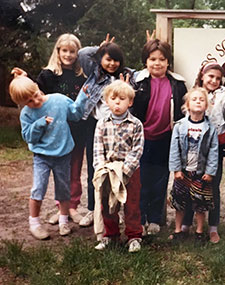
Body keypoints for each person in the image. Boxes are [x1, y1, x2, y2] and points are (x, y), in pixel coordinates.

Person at [8, 70, 88, 240]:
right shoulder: (26, 114)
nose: (35, 101)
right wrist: (39, 124)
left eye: (36, 95)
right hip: (42, 157)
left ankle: (63, 220)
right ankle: (35, 223)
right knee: (38, 188)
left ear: (38, 87)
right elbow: (28, 137)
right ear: (22, 104)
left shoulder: (58, 100)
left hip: (63, 154)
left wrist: (82, 98)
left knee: (63, 189)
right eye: (29, 101)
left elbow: (75, 114)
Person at [181, 61, 225, 243]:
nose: (214, 81)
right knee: (190, 184)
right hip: (193, 146)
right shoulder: (194, 94)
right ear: (202, 76)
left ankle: (213, 227)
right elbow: (187, 116)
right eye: (210, 76)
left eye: (218, 78)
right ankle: (186, 224)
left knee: (212, 186)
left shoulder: (223, 96)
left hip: (214, 146)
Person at [130, 39, 187, 236]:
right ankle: (141, 218)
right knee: (141, 180)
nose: (157, 63)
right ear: (146, 61)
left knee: (161, 180)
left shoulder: (178, 84)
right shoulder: (137, 82)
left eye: (162, 59)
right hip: (142, 139)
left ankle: (155, 219)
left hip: (166, 138)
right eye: (152, 59)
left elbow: (183, 112)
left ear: (168, 62)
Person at [78, 35, 134, 228]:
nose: (112, 63)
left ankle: (115, 209)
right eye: (108, 59)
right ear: (101, 59)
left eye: (115, 59)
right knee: (95, 168)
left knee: (118, 169)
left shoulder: (127, 74)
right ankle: (93, 209)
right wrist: (99, 47)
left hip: (118, 126)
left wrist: (127, 84)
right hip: (95, 126)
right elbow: (82, 53)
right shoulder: (95, 73)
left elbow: (145, 74)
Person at [34, 33, 87, 225]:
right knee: (60, 172)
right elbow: (35, 98)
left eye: (73, 51)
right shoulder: (47, 76)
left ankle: (73, 207)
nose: (68, 55)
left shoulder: (82, 76)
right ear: (58, 51)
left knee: (75, 170)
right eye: (65, 50)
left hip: (78, 130)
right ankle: (61, 208)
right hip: (55, 132)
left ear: (77, 54)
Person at [92, 80, 144, 252]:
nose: (117, 102)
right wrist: (101, 167)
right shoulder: (102, 123)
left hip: (129, 171)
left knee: (132, 204)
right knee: (108, 204)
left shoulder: (135, 124)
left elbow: (137, 149)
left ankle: (134, 236)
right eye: (113, 99)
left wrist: (126, 170)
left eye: (122, 99)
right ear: (107, 101)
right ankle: (110, 235)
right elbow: (98, 147)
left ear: (129, 102)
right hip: (108, 169)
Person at [168, 87, 219, 242]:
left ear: (207, 106)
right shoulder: (180, 126)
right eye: (194, 99)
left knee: (200, 203)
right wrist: (176, 169)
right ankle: (178, 231)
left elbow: (213, 151)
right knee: (179, 203)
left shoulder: (210, 128)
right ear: (187, 105)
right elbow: (174, 149)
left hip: (200, 173)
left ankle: (199, 231)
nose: (198, 102)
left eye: (201, 99)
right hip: (183, 172)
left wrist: (210, 172)